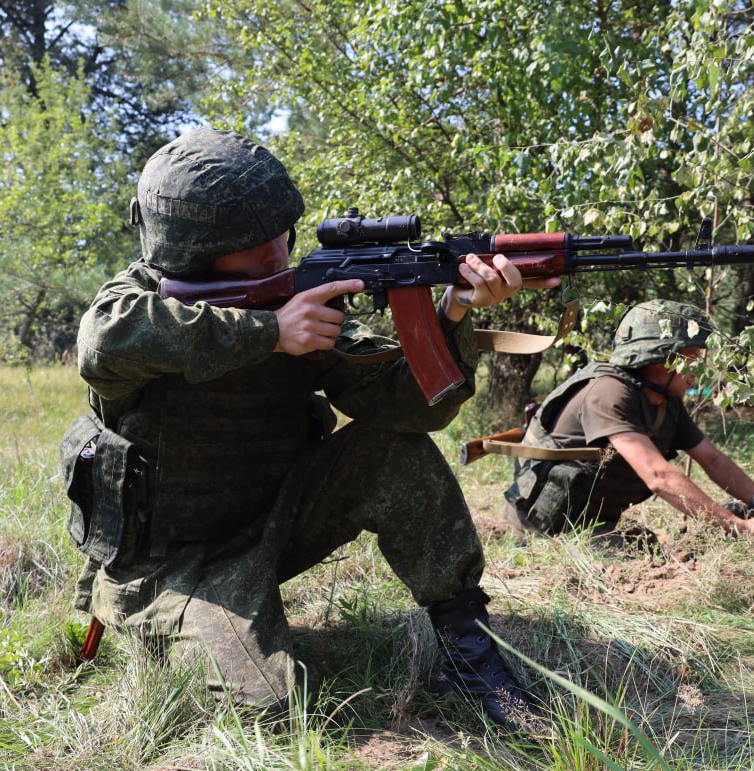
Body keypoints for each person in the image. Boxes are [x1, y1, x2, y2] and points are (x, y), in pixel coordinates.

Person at [61, 128, 554, 732]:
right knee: (274, 713)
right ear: (190, 252)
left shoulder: (298, 299)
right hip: (166, 564)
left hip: (272, 529)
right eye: (250, 244)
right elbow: (100, 344)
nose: (275, 254)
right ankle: (166, 634)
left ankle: (467, 656)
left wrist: (452, 312)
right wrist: (269, 334)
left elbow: (412, 409)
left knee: (391, 448)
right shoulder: (133, 303)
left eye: (280, 235)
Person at [503, 299, 754, 541]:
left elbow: (713, 460)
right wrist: (741, 527)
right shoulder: (609, 394)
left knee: (644, 545)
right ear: (660, 359)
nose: (697, 370)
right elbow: (658, 475)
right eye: (690, 357)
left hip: (591, 521)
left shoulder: (666, 401)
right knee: (641, 556)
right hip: (543, 528)